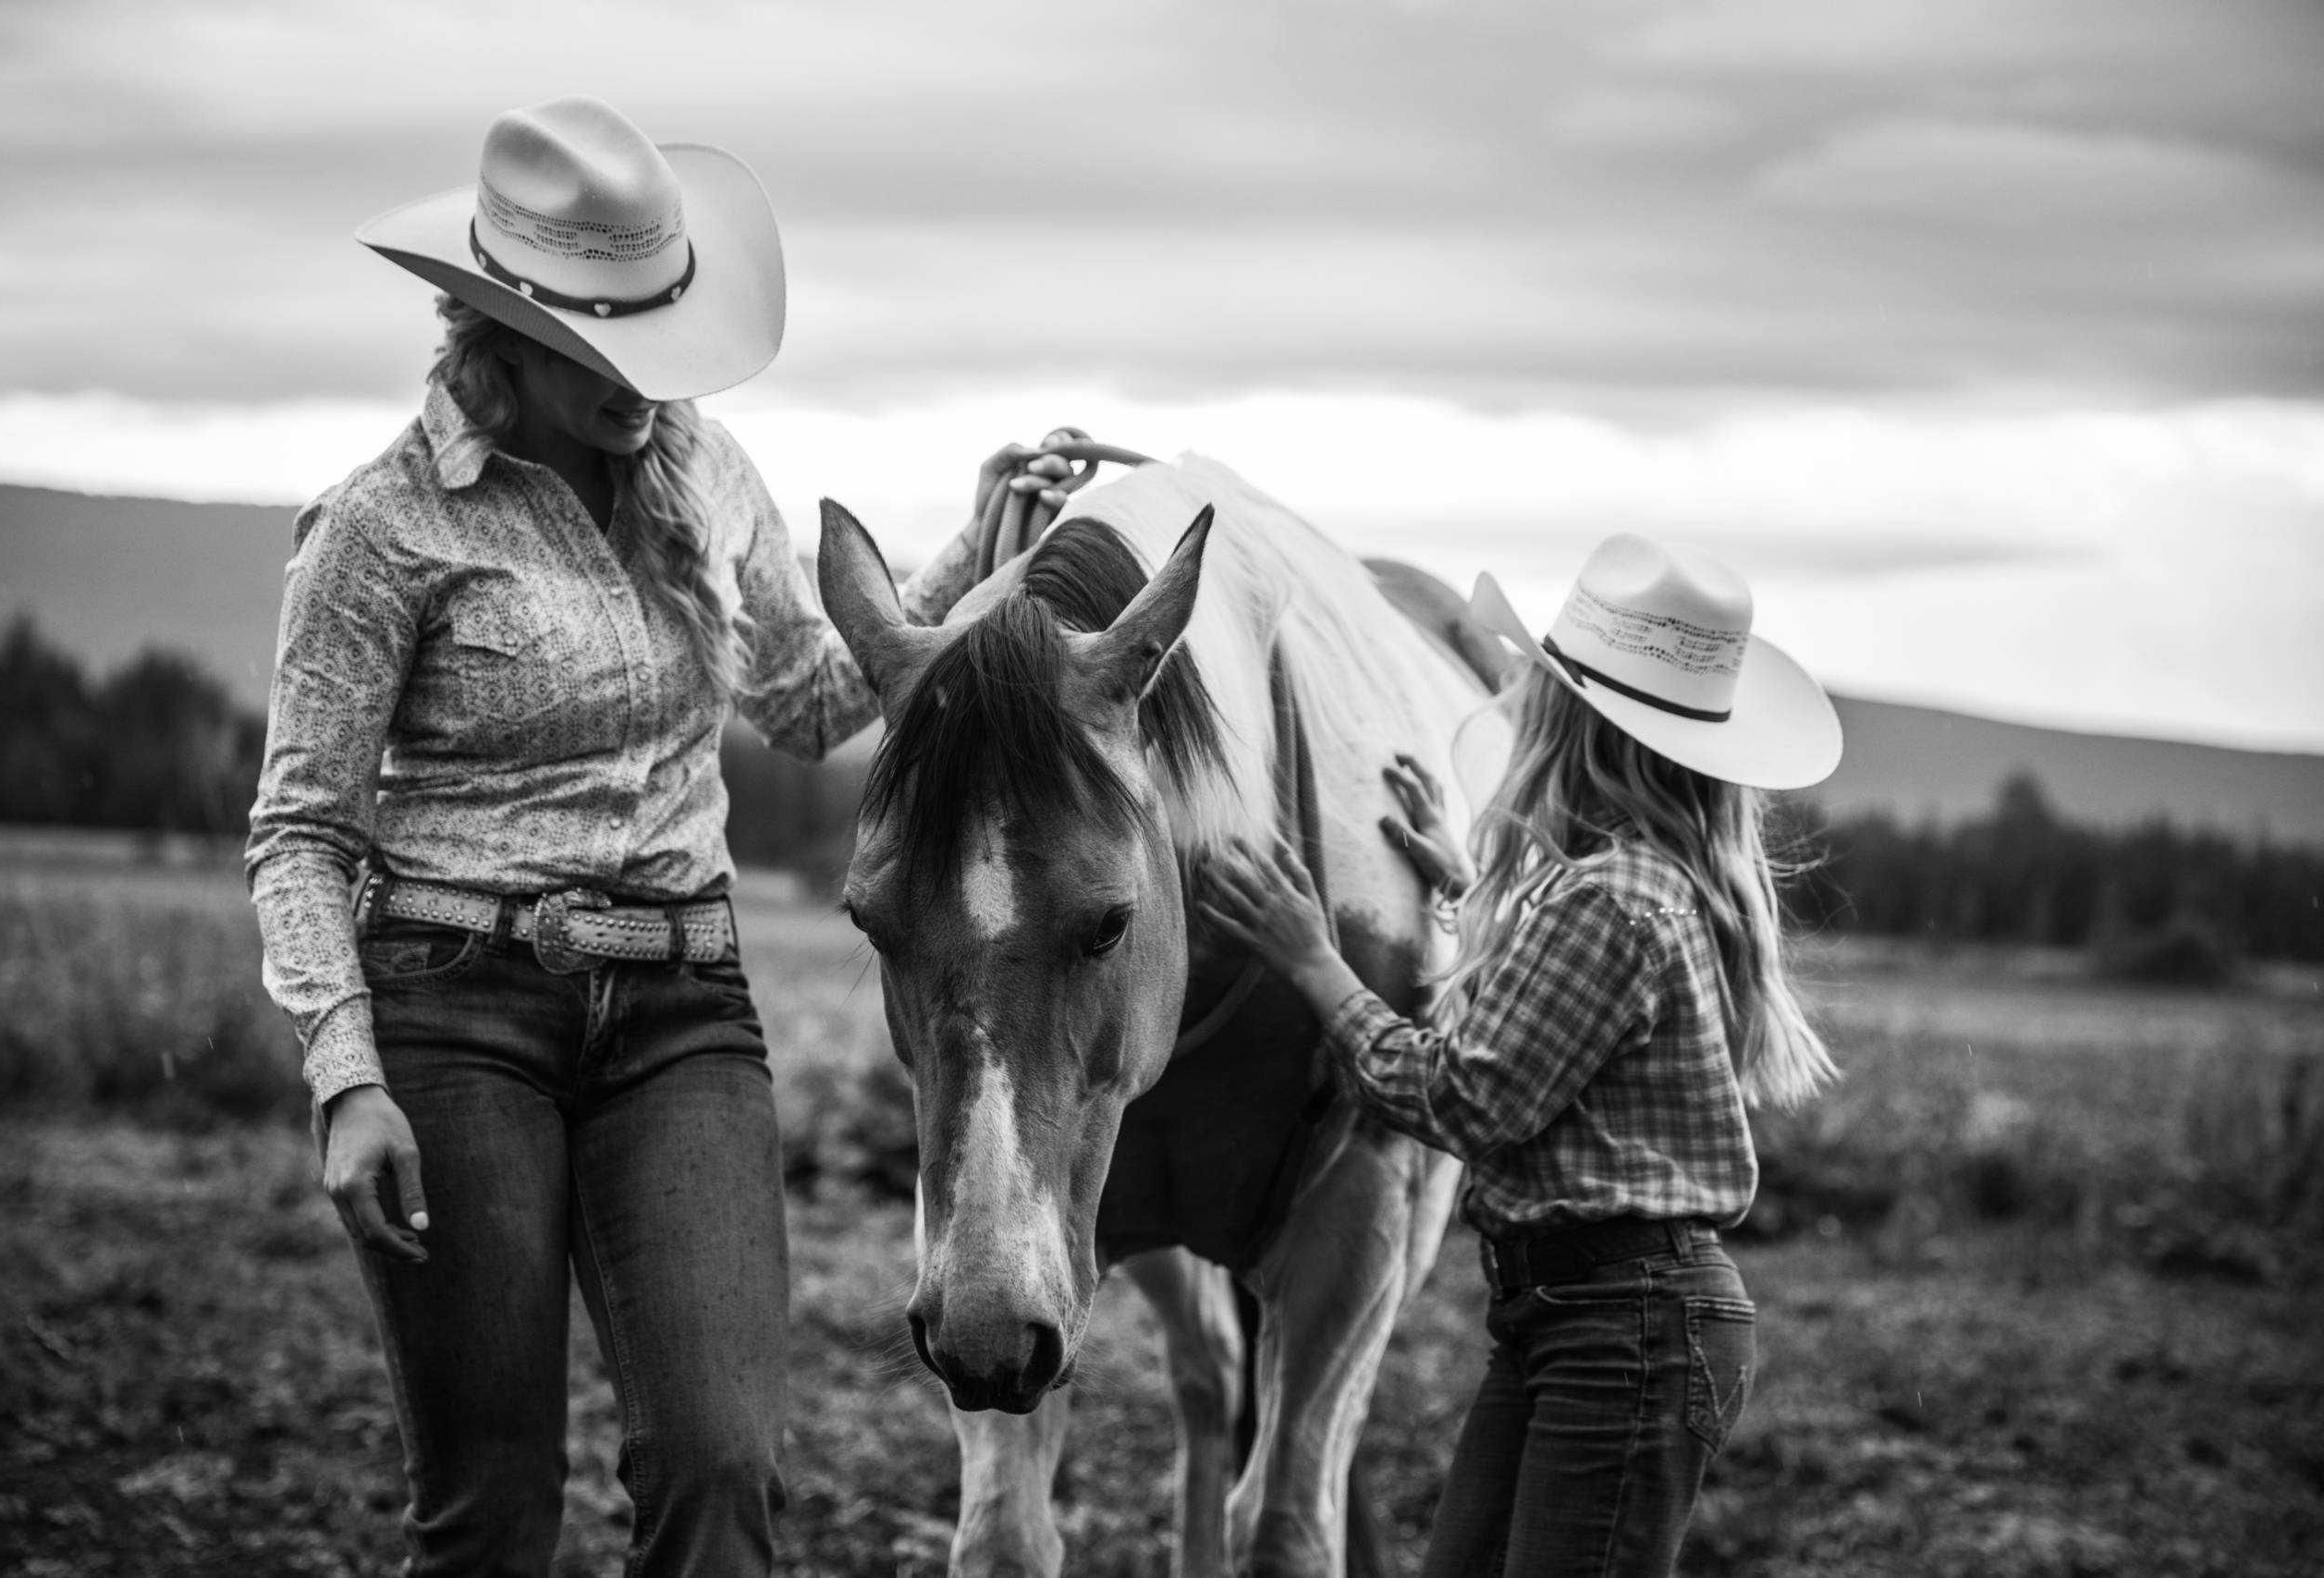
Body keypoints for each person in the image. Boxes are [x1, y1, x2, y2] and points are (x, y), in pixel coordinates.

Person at [245, 96, 1071, 1577]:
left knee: (722, 1463)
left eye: (660, 326)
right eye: (605, 337)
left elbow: (817, 699)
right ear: (497, 324)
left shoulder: (707, 476)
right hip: (454, 1016)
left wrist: (972, 541)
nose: (648, 375)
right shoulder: (379, 528)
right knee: (492, 1514)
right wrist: (345, 1075)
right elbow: (302, 828)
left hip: (682, 1013)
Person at [1198, 532, 1843, 1577]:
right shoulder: (1624, 886)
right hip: (1588, 1316)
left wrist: (1316, 965)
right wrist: (1459, 886)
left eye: (1535, 687)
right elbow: (1545, 1017)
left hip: (1617, 1326)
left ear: (1570, 723)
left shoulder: (1612, 901)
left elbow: (1467, 1098)